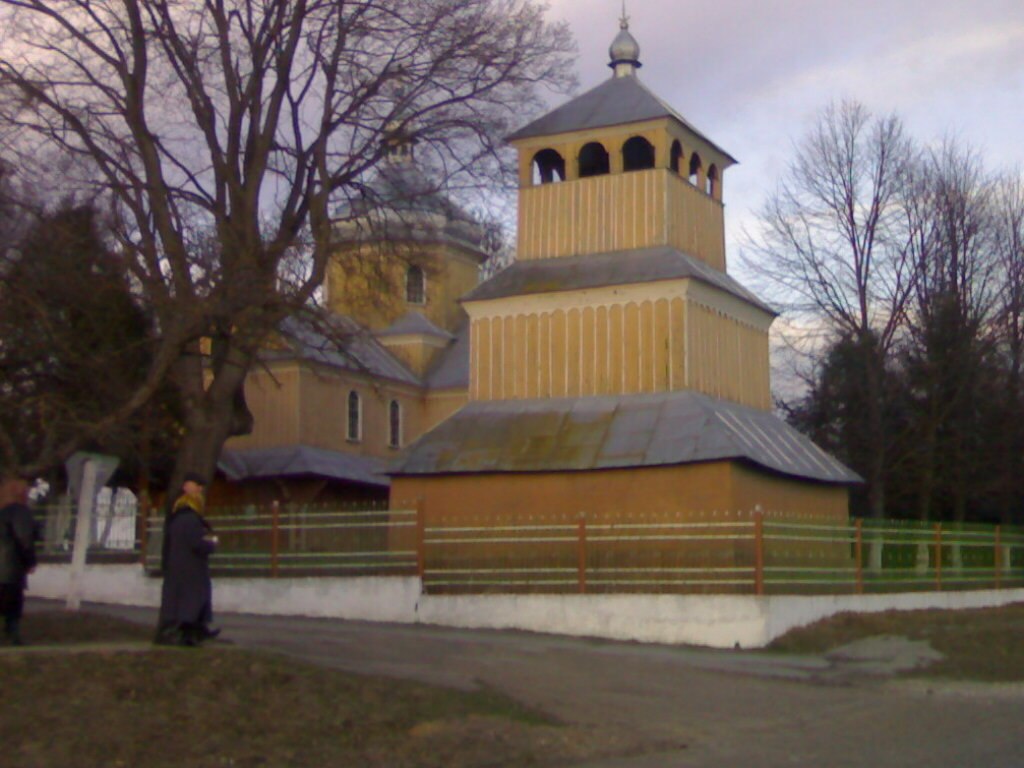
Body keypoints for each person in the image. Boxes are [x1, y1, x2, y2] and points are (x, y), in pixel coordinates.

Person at [154, 472, 221, 646]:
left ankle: (196, 632)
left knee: (186, 602)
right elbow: (196, 543)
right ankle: (189, 635)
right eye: (197, 487)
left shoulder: (176, 516)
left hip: (179, 566)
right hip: (191, 567)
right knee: (192, 602)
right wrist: (211, 544)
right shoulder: (190, 519)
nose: (200, 491)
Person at [0, 472, 37, 646]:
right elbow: (25, 539)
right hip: (10, 567)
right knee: (13, 605)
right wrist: (30, 561)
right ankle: (13, 635)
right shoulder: (20, 512)